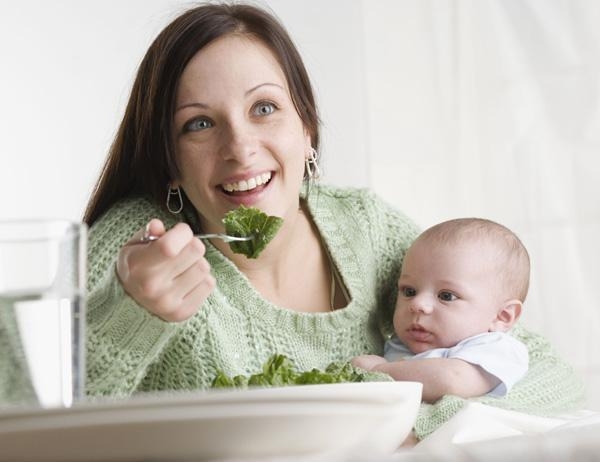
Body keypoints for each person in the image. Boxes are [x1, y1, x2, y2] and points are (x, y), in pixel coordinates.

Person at [83, 2, 583, 443]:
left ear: (305, 129)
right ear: (168, 160)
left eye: (264, 108)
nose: (240, 148)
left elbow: (548, 375)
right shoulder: (135, 249)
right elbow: (13, 407)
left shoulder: (365, 228)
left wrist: (417, 424)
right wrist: (130, 314)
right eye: (199, 123)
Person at [353, 218, 530, 403]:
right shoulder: (400, 345)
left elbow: (450, 381)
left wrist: (378, 371)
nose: (417, 304)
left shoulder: (496, 349)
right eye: (409, 291)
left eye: (446, 296)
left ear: (502, 316)